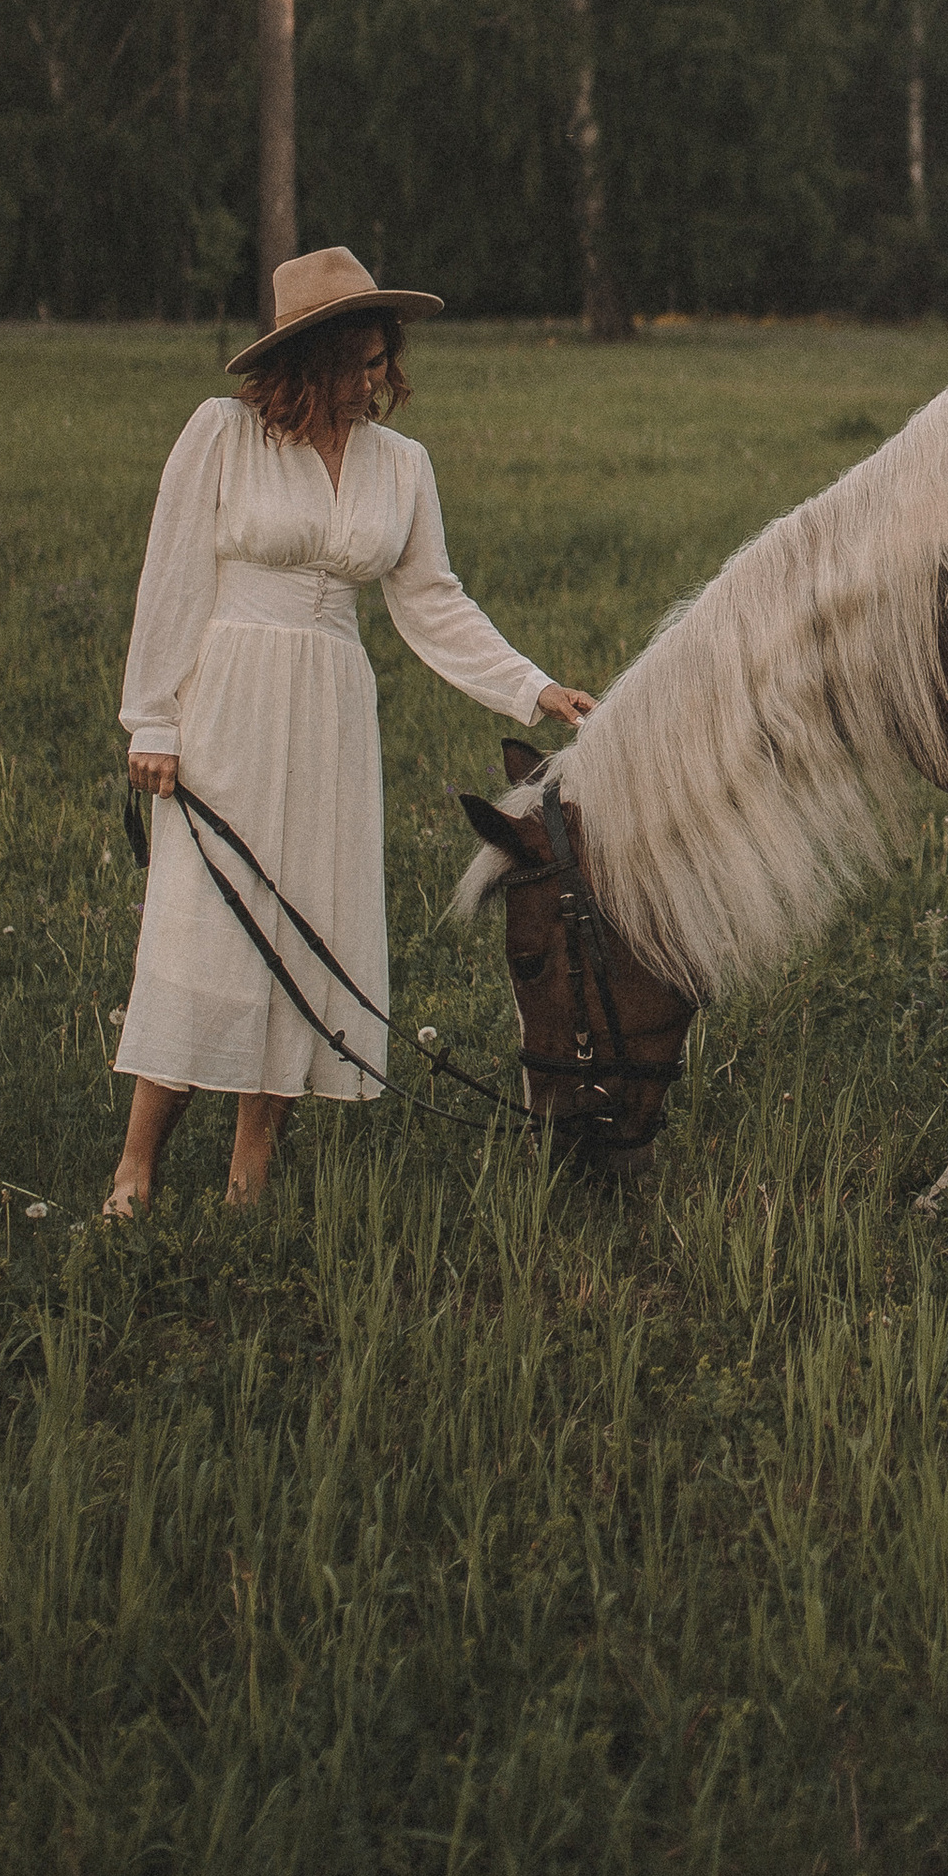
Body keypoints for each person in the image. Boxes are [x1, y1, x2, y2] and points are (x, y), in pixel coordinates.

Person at [105, 245, 597, 1215]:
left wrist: (537, 690)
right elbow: (171, 577)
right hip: (231, 702)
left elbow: (433, 603)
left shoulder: (400, 466)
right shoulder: (222, 434)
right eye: (354, 365)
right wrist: (151, 719)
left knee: (304, 927)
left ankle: (249, 1180)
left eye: (381, 362)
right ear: (304, 360)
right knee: (204, 933)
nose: (372, 383)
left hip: (330, 709)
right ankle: (135, 1171)